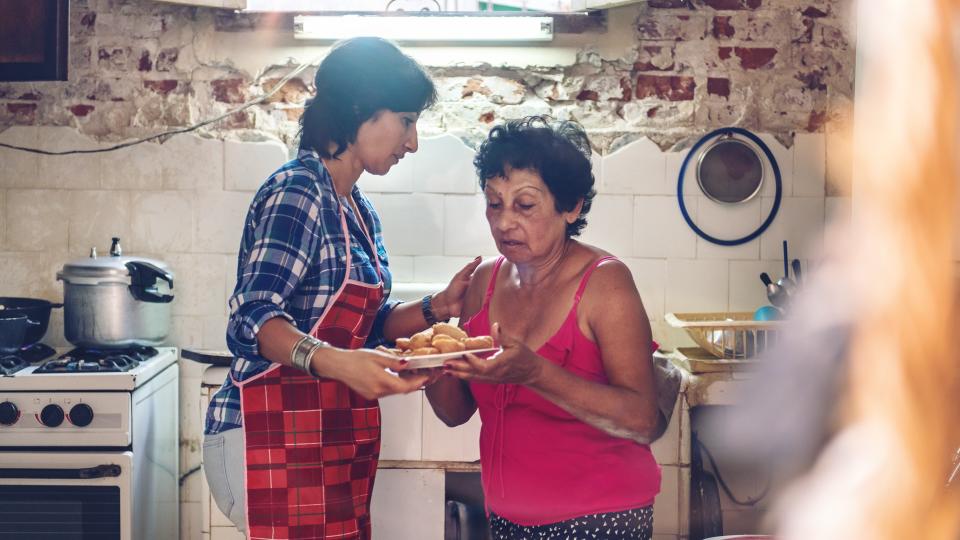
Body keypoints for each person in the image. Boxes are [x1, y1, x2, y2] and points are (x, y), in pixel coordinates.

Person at [202, 37, 480, 540]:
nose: (412, 142)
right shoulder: (297, 191)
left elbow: (367, 325)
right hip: (268, 435)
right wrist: (337, 362)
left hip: (329, 440)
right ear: (359, 110)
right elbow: (251, 319)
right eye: (406, 120)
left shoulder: (356, 208)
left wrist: (437, 308)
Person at [425, 116, 663, 540]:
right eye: (494, 203)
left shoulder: (605, 283)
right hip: (507, 519)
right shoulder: (485, 282)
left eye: (525, 205)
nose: (503, 222)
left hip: (599, 520)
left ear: (571, 207)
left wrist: (535, 373)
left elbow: (643, 420)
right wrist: (429, 365)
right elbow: (455, 412)